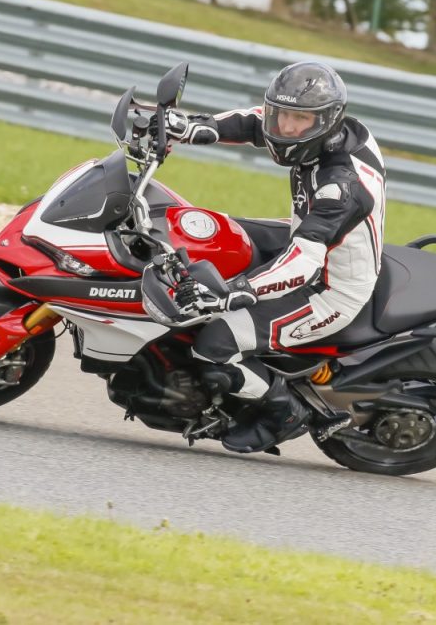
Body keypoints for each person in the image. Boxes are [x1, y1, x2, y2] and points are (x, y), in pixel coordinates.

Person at [159, 61, 387, 454]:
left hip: (329, 287)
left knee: (216, 340)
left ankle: (283, 411)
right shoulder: (322, 131)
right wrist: (194, 127)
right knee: (206, 231)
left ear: (326, 121)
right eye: (283, 115)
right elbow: (254, 121)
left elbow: (302, 263)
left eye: (301, 119)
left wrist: (233, 292)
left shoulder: (342, 187)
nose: (287, 128)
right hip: (302, 236)